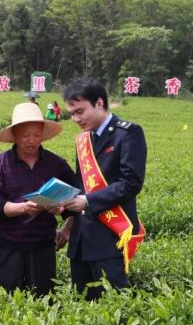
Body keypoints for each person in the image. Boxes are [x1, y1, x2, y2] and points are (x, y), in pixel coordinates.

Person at [62, 78, 147, 300]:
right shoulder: (83, 140)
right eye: (71, 113)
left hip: (109, 238)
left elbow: (131, 183)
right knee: (81, 305)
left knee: (114, 304)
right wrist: (64, 208)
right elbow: (81, 185)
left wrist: (88, 201)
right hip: (81, 239)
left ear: (99, 103)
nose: (76, 119)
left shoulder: (127, 133)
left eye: (80, 111)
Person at [0, 102, 77, 296]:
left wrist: (66, 226)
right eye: (25, 135)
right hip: (8, 245)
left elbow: (77, 196)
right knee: (5, 300)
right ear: (15, 135)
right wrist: (24, 208)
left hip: (43, 245)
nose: (31, 140)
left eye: (36, 135)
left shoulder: (56, 164)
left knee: (43, 299)